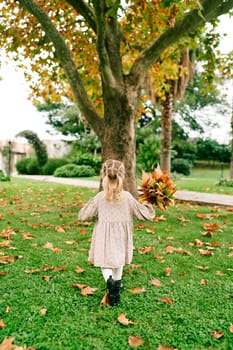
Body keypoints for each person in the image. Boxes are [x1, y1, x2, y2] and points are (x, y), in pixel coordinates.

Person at [78, 159, 155, 306]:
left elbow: (84, 215)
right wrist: (150, 204)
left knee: (104, 262)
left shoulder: (100, 197)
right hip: (122, 236)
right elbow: (144, 215)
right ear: (122, 176)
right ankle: (117, 286)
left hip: (103, 235)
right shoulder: (127, 197)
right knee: (118, 259)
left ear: (103, 175)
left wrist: (89, 209)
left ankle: (110, 281)